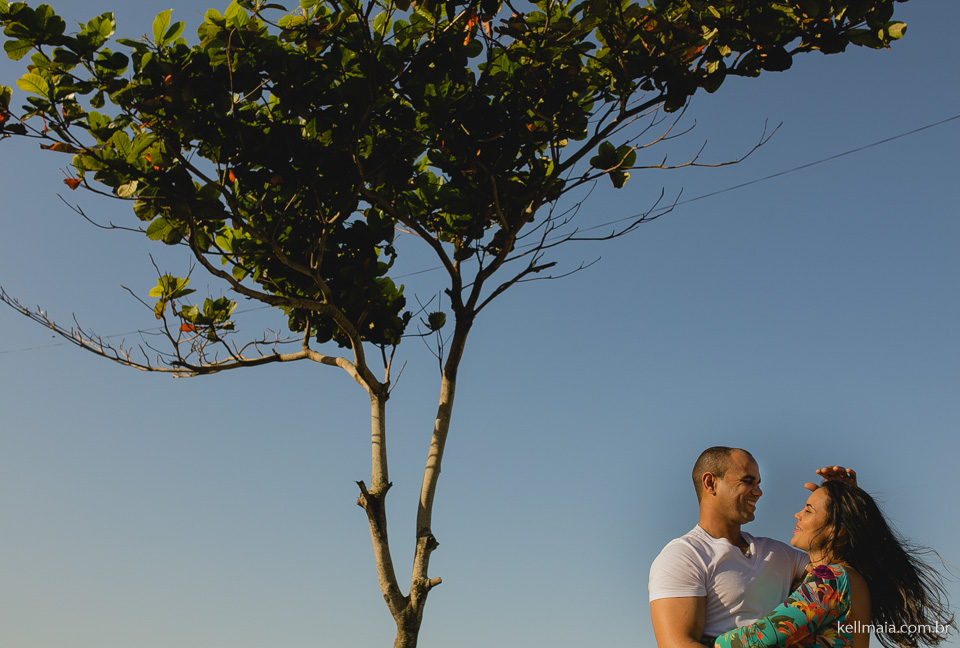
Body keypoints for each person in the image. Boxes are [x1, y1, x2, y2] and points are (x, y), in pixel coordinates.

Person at [713, 480, 955, 648]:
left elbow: (764, 636)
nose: (797, 514)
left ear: (837, 531)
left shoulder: (831, 578)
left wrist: (694, 641)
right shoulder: (850, 577)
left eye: (808, 510)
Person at [649, 446, 835, 647]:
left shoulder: (779, 553)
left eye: (758, 483)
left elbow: (840, 575)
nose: (759, 492)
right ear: (711, 483)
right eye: (747, 481)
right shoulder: (684, 556)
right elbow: (678, 644)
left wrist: (843, 504)